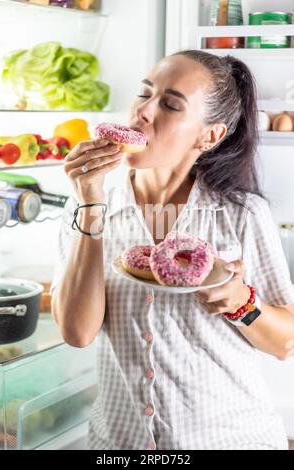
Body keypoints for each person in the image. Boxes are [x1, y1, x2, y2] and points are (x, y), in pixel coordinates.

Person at [50, 50, 294, 450]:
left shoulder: (241, 214)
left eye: (170, 104)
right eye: (144, 94)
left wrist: (239, 301)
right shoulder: (87, 201)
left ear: (209, 135)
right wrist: (90, 204)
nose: (143, 112)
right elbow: (78, 332)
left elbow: (286, 342)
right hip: (120, 443)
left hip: (228, 440)